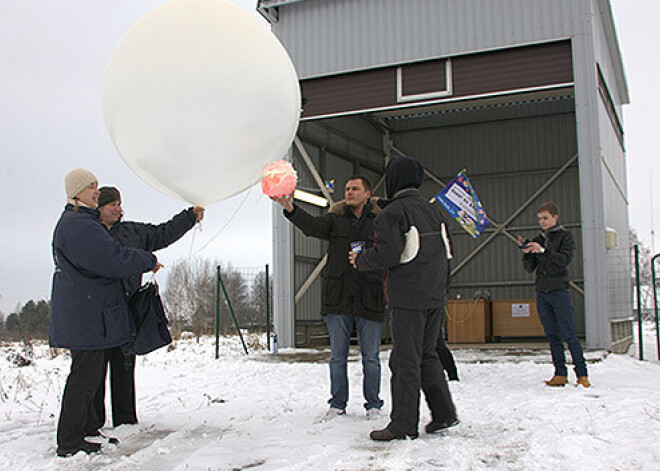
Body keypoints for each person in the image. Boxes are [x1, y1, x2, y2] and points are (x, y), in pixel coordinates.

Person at [49, 169, 160, 457]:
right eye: (91, 187)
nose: (97, 191)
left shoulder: (81, 222)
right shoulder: (79, 226)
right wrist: (147, 260)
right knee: (84, 379)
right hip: (86, 316)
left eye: (97, 186)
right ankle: (70, 441)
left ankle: (86, 430)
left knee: (90, 376)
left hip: (89, 314)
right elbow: (111, 258)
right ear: (76, 192)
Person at [350, 156, 458, 441]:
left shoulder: (394, 213)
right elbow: (448, 253)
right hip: (435, 295)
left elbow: (388, 254)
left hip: (409, 297)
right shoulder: (435, 212)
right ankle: (444, 413)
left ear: (394, 178)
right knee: (427, 356)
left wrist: (361, 260)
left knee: (405, 362)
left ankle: (402, 425)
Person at [271, 176, 385, 418]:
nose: (349, 192)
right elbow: (312, 226)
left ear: (367, 194)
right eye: (347, 189)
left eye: (355, 189)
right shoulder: (335, 219)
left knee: (371, 358)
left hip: (369, 296)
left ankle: (373, 404)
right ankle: (337, 403)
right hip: (339, 298)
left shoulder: (379, 222)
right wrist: (289, 207)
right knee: (337, 357)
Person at [92, 186, 205, 429]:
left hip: (126, 311)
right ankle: (93, 423)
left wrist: (189, 217)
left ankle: (125, 421)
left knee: (124, 366)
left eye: (120, 203)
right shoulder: (90, 235)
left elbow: (162, 233)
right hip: (97, 314)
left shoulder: (133, 232)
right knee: (94, 372)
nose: (119, 209)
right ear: (99, 207)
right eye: (113, 204)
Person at [519, 201, 590, 388]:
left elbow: (563, 260)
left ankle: (582, 375)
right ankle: (560, 374)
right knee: (552, 335)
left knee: (568, 334)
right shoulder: (538, 238)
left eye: (545, 218)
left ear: (555, 217)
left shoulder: (566, 237)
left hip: (559, 291)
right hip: (542, 292)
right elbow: (530, 268)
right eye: (540, 219)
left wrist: (543, 251)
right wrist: (527, 253)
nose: (542, 222)